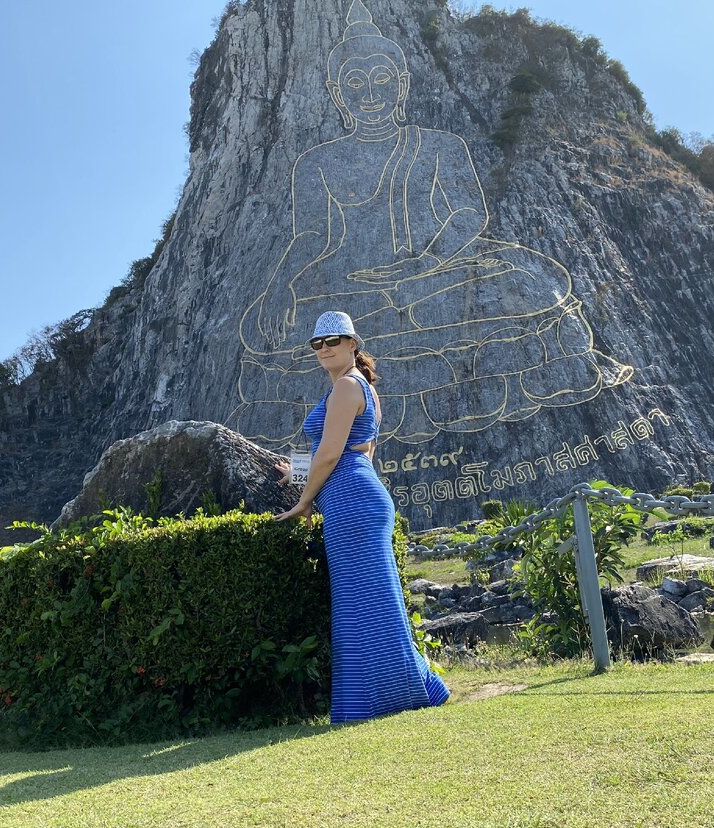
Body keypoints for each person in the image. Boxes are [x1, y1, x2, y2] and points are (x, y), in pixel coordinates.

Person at [229, 0, 632, 447]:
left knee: (526, 282)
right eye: (355, 82)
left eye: (382, 80)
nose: (370, 93)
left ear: (402, 85)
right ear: (336, 90)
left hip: (438, 273)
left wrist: (422, 265)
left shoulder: (439, 144)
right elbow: (313, 236)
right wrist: (280, 285)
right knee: (289, 322)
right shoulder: (317, 162)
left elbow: (468, 215)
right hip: (357, 285)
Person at [274, 310, 450, 722]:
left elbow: (334, 454)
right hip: (355, 497)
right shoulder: (360, 389)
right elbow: (351, 453)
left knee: (365, 604)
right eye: (317, 344)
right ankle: (412, 688)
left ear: (353, 343)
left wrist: (302, 501)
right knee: (368, 601)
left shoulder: (348, 387)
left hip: (352, 502)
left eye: (332, 340)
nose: (324, 349)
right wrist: (296, 469)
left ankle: (385, 696)